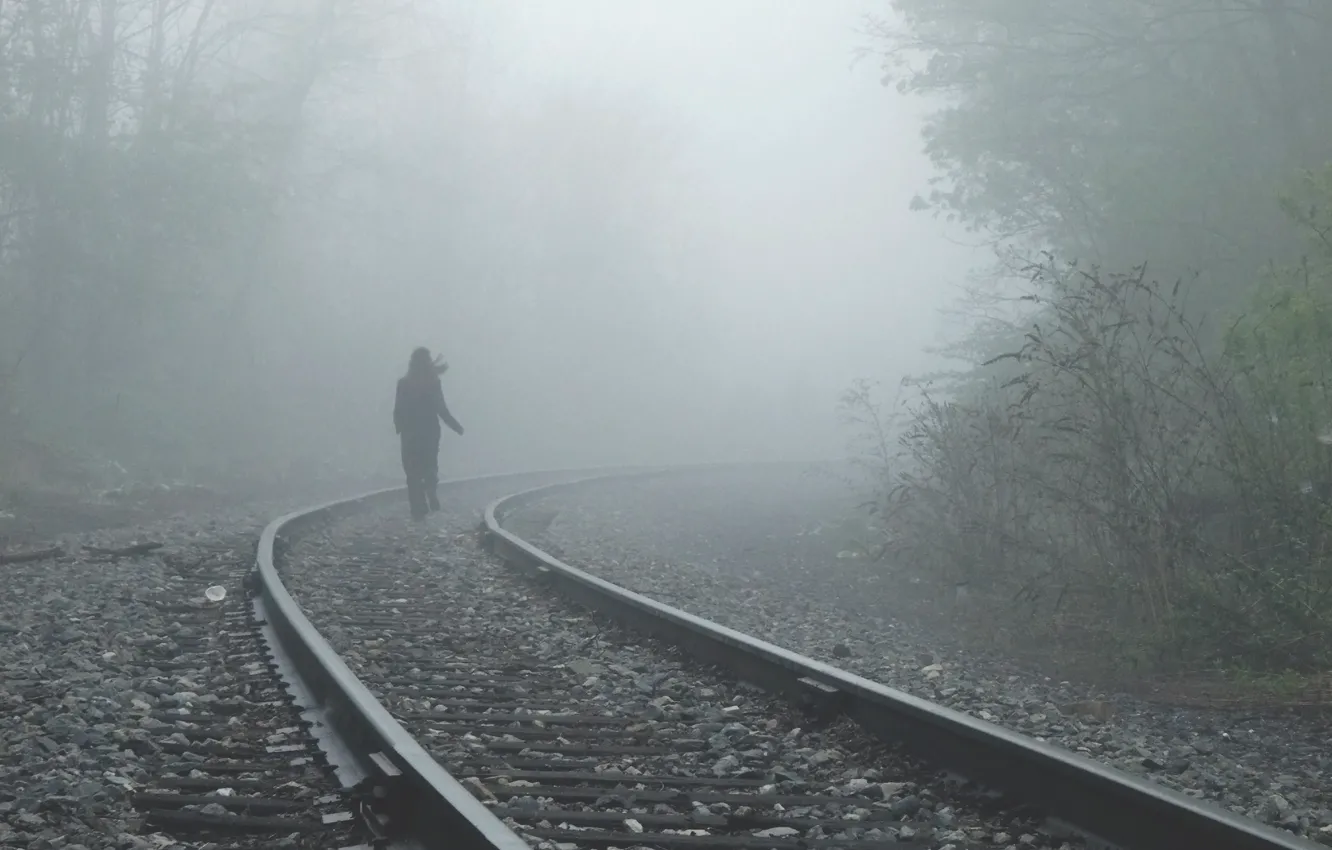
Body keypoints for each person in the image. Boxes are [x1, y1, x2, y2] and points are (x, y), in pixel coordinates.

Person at [394, 347, 464, 520]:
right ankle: (431, 490)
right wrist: (456, 426)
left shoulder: (403, 383)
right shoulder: (433, 382)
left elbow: (398, 409)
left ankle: (418, 506)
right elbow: (441, 408)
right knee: (429, 465)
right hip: (430, 431)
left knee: (412, 471)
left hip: (410, 433)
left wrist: (399, 427)